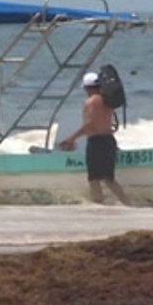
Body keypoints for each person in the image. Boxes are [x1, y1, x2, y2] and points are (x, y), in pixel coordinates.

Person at [59, 71, 131, 205]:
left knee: (94, 178)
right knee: (109, 178)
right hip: (109, 140)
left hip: (97, 141)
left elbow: (90, 124)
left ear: (87, 88)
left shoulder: (91, 102)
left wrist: (72, 138)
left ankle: (98, 205)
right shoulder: (107, 100)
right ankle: (127, 203)